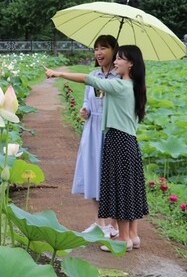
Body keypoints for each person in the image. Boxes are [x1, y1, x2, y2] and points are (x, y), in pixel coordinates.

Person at [44, 45, 148, 252]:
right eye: (115, 58)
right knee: (129, 189)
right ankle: (133, 236)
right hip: (129, 142)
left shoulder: (119, 86)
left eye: (120, 59)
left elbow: (87, 79)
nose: (116, 62)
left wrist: (58, 73)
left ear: (131, 64)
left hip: (117, 141)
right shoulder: (133, 86)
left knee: (119, 190)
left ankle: (123, 240)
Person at [72, 35, 120, 238]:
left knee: (112, 176)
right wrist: (85, 110)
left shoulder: (121, 78)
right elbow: (87, 102)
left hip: (111, 129)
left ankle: (116, 225)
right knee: (93, 172)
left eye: (104, 48)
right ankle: (99, 223)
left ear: (114, 51)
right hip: (92, 129)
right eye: (96, 49)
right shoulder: (93, 75)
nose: (99, 53)